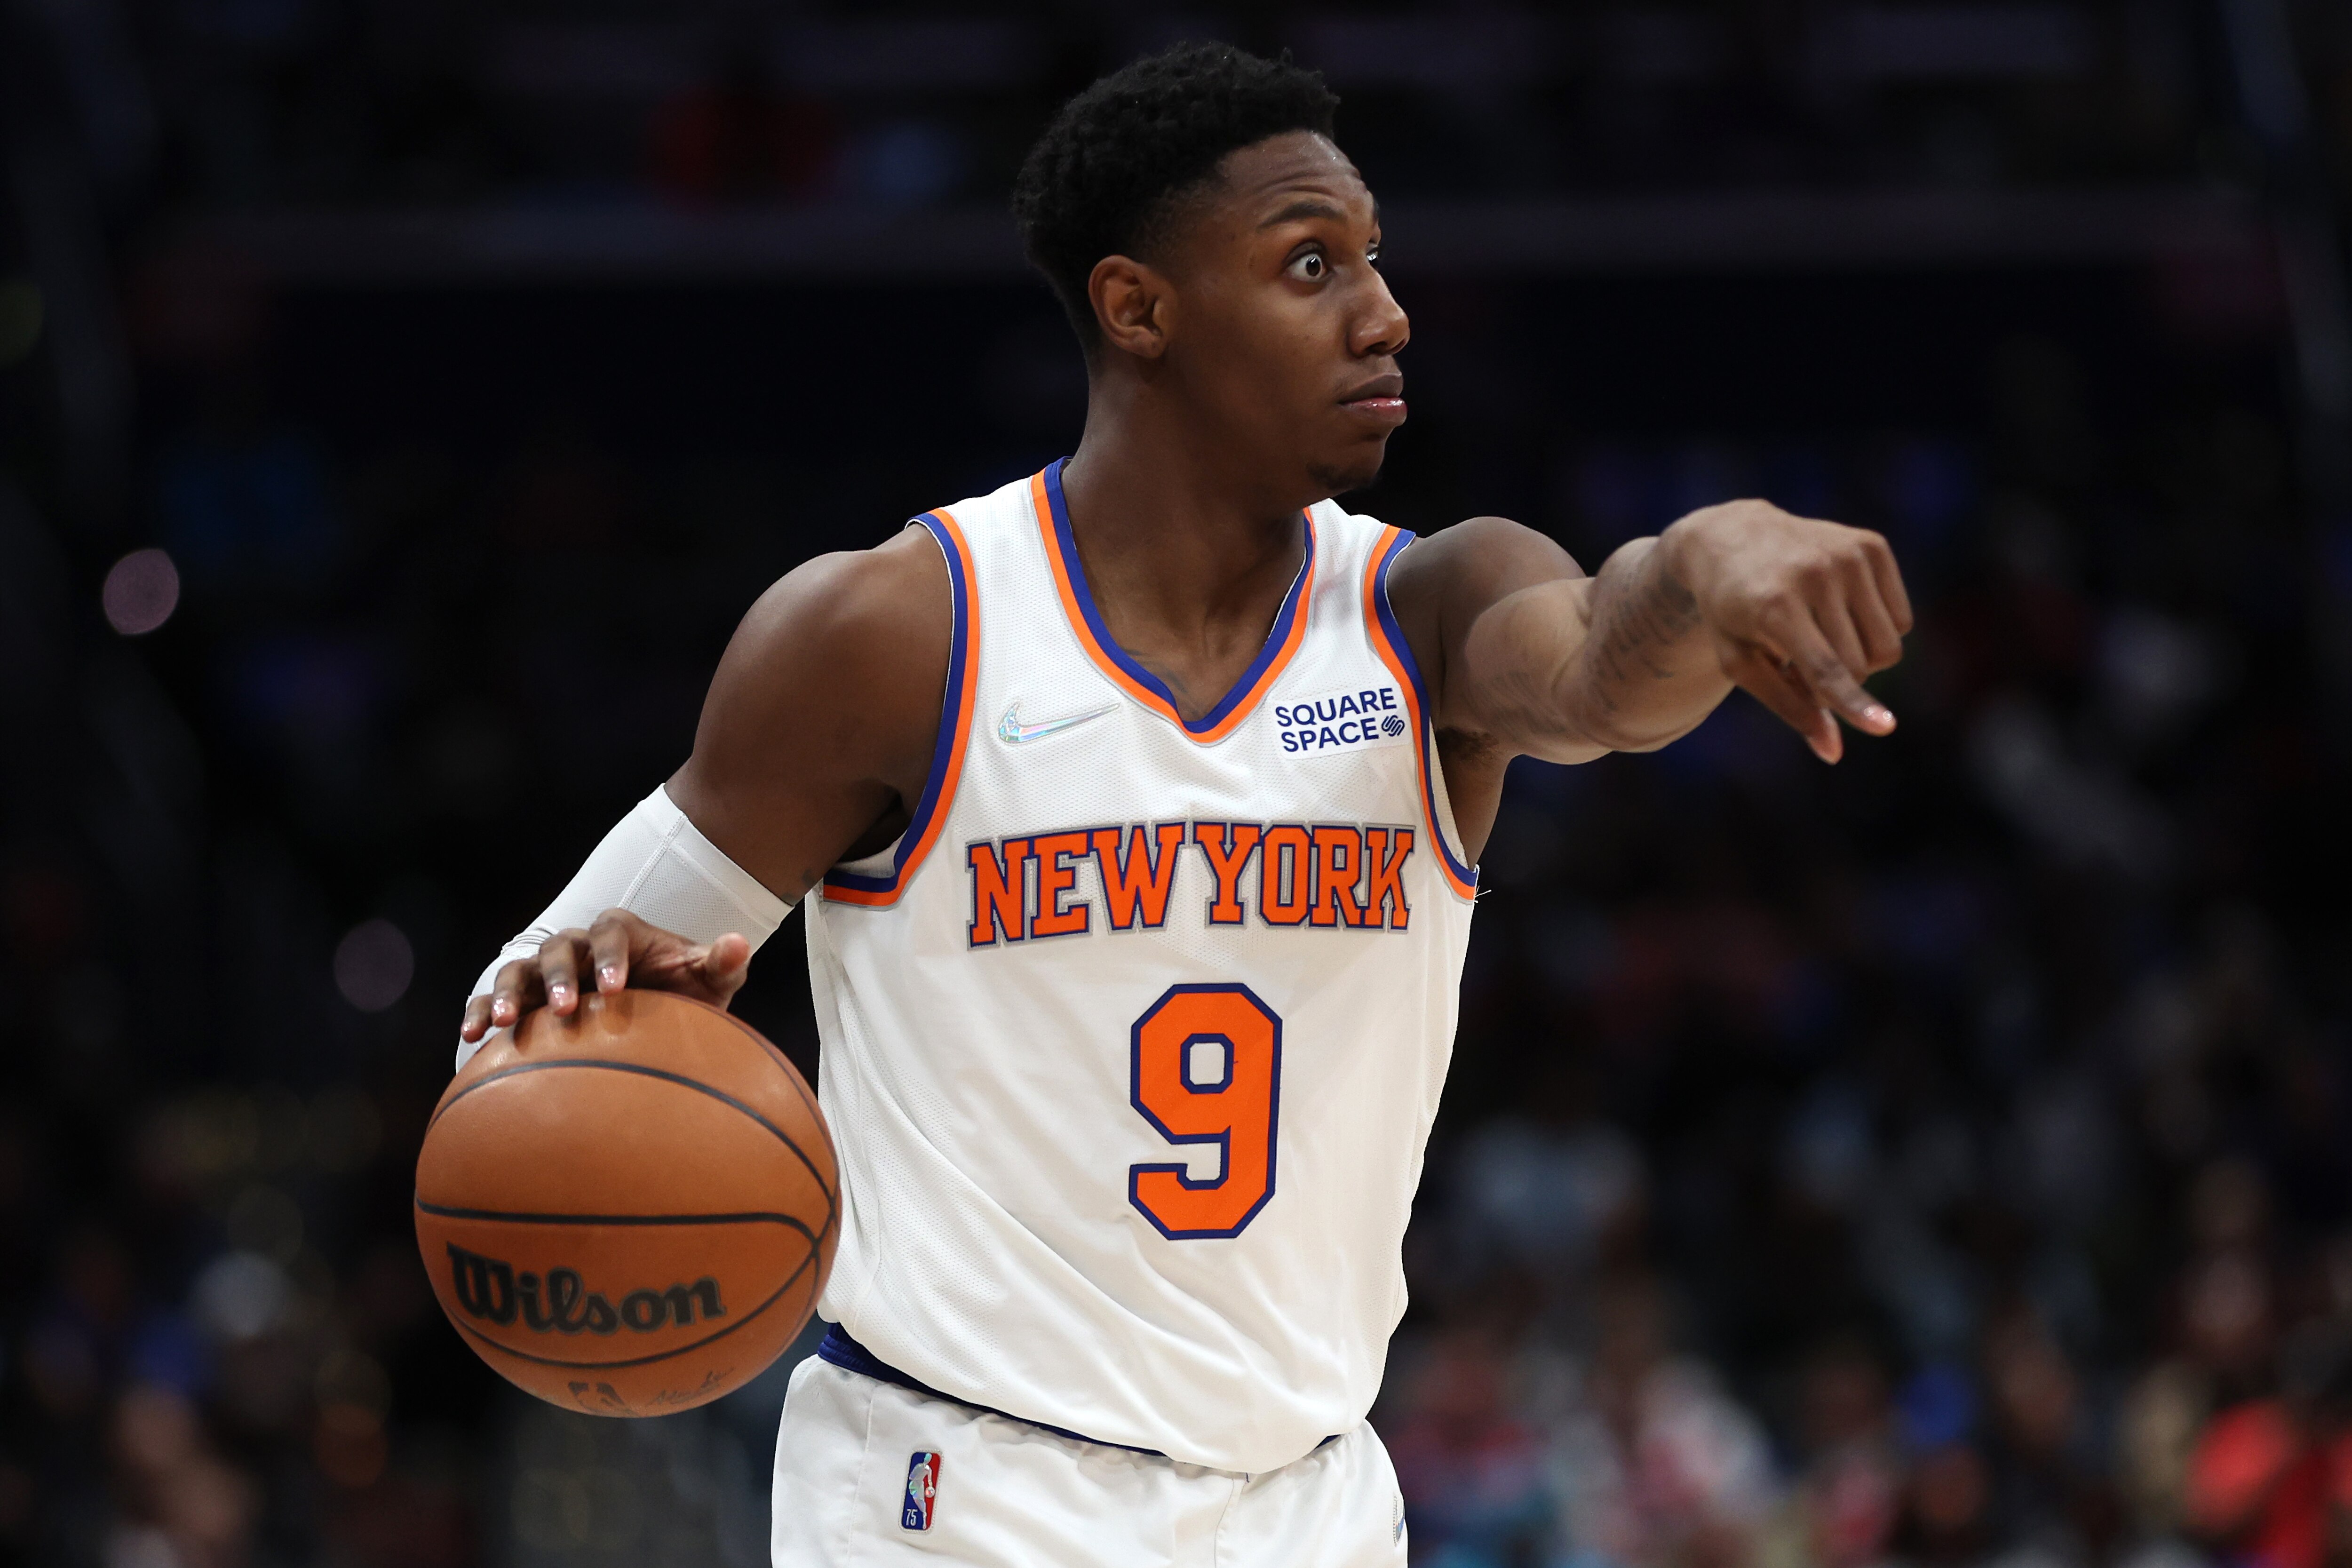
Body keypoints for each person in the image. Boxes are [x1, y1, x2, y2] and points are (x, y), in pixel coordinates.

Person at [454, 42, 1912, 1568]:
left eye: (1374, 258)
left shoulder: (1429, 607)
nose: (1384, 311)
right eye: (1309, 263)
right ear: (1137, 308)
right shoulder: (895, 635)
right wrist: (573, 1003)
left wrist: (1708, 555)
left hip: (1314, 1499)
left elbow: (1609, 671)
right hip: (956, 1493)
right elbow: (544, 1030)